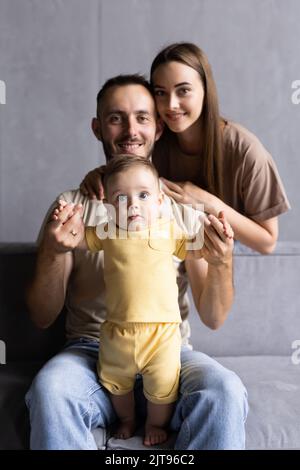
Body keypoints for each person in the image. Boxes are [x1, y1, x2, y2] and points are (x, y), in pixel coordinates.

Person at [26, 74, 246, 451]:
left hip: (169, 347)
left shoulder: (177, 209)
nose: (131, 129)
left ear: (158, 128)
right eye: (116, 118)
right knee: (50, 390)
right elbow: (42, 315)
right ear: (98, 128)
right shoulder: (73, 209)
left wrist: (222, 261)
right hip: (93, 350)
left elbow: (213, 317)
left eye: (142, 117)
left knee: (225, 391)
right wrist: (53, 251)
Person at [51, 155, 232, 446]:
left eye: (144, 195)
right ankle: (126, 419)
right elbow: (80, 239)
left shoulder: (170, 229)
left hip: (162, 335)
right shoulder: (107, 232)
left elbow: (197, 249)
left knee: (163, 387)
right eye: (121, 198)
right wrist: (66, 228)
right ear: (109, 208)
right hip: (116, 333)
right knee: (116, 384)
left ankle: (155, 423)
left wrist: (218, 235)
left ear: (160, 202)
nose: (132, 205)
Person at [81, 43, 290, 255]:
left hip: (225, 254)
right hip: (169, 252)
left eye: (183, 91)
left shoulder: (245, 151)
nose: (171, 104)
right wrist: (101, 175)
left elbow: (267, 242)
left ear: (205, 91)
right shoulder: (155, 136)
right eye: (161, 93)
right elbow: (129, 175)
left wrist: (207, 202)